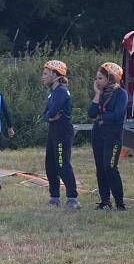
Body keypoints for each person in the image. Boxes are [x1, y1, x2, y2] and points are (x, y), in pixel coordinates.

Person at [88, 62, 128, 211]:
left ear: (110, 79)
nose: (96, 81)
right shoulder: (101, 93)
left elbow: (117, 115)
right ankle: (105, 201)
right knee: (100, 168)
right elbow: (91, 113)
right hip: (98, 135)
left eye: (100, 78)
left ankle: (120, 203)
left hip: (113, 137)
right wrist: (97, 94)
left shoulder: (121, 94)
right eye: (97, 78)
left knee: (110, 167)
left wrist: (102, 116)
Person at [41, 60, 80, 209]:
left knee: (62, 164)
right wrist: (50, 117)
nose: (42, 77)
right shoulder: (53, 93)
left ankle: (72, 198)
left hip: (62, 132)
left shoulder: (62, 91)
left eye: (45, 74)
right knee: (50, 165)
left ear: (55, 74)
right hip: (53, 131)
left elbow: (52, 111)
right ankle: (54, 197)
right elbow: (46, 114)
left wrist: (50, 116)